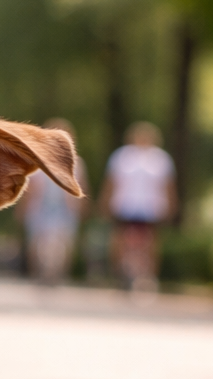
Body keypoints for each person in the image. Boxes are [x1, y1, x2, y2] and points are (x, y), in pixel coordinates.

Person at [100, 122, 177, 292]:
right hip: (125, 205)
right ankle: (120, 274)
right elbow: (112, 182)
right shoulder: (121, 156)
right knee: (120, 240)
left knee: (151, 243)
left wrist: (171, 206)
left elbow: (168, 186)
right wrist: (105, 203)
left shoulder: (161, 159)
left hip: (151, 207)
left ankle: (149, 276)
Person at [17, 118, 89, 284]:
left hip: (65, 209)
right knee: (36, 242)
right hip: (40, 208)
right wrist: (24, 207)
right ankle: (38, 273)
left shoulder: (77, 163)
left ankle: (59, 274)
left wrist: (82, 207)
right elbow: (29, 187)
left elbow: (82, 186)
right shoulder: (36, 160)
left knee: (65, 243)